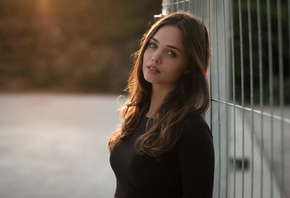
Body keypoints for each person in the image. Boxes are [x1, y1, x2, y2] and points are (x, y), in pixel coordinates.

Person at [108, 12, 214, 198]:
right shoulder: (139, 112)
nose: (155, 57)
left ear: (189, 66)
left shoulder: (190, 128)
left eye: (171, 53)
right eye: (153, 45)